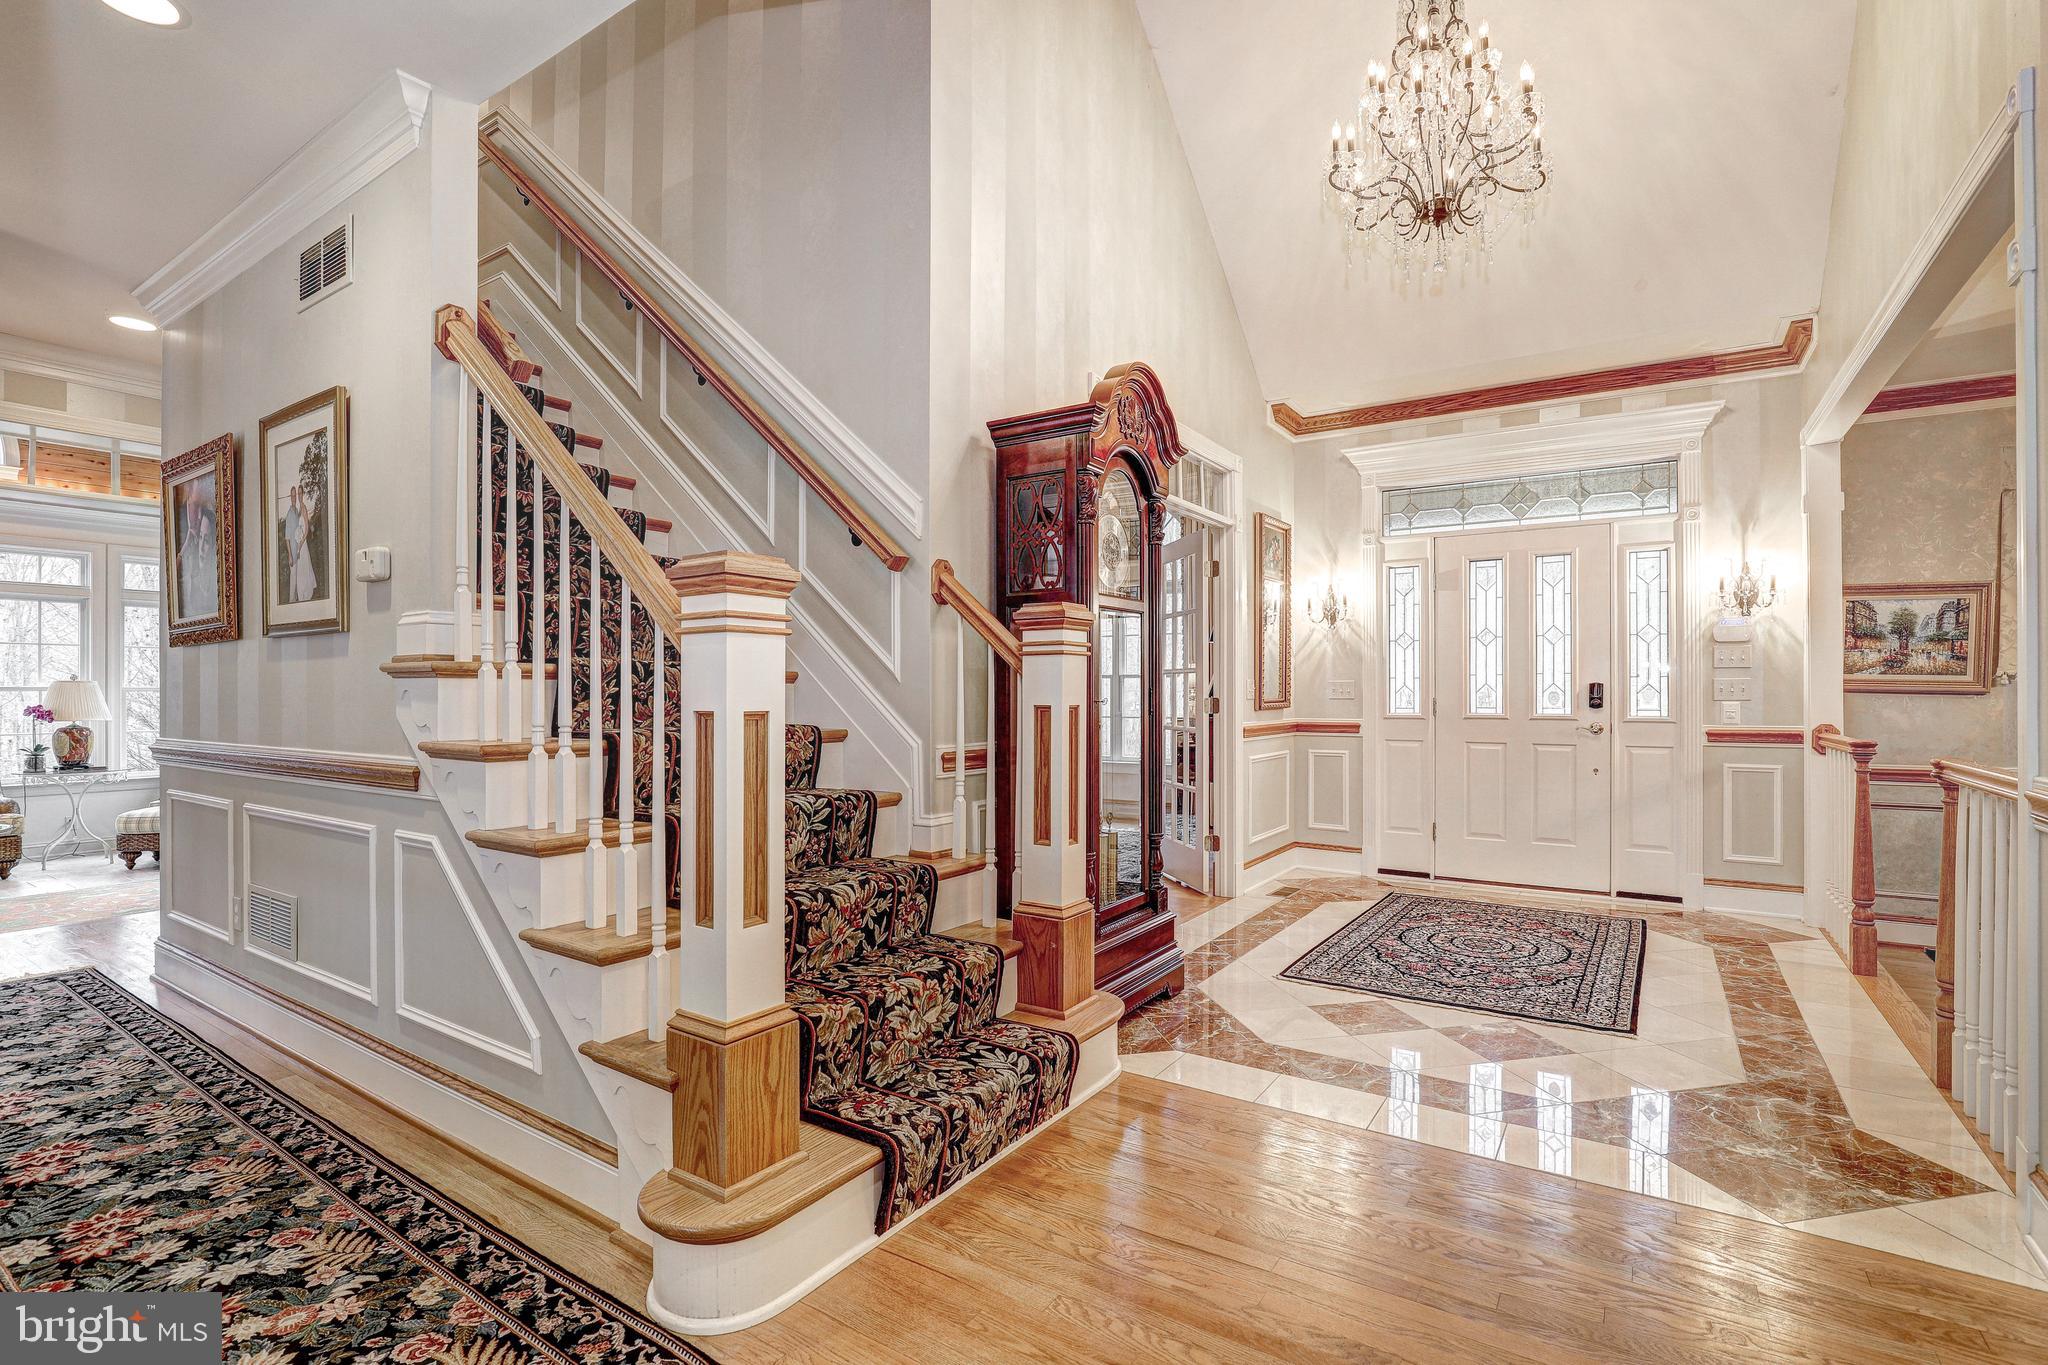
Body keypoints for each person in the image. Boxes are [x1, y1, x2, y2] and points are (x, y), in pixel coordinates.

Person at [284, 484, 319, 604]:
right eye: (296, 494)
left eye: (299, 494)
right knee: (301, 572)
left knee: (303, 571)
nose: (298, 496)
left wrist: (301, 543)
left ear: (302, 494)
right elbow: (297, 529)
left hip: (301, 545)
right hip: (299, 546)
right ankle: (301, 597)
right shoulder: (297, 510)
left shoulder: (302, 507)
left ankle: (305, 595)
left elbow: (307, 528)